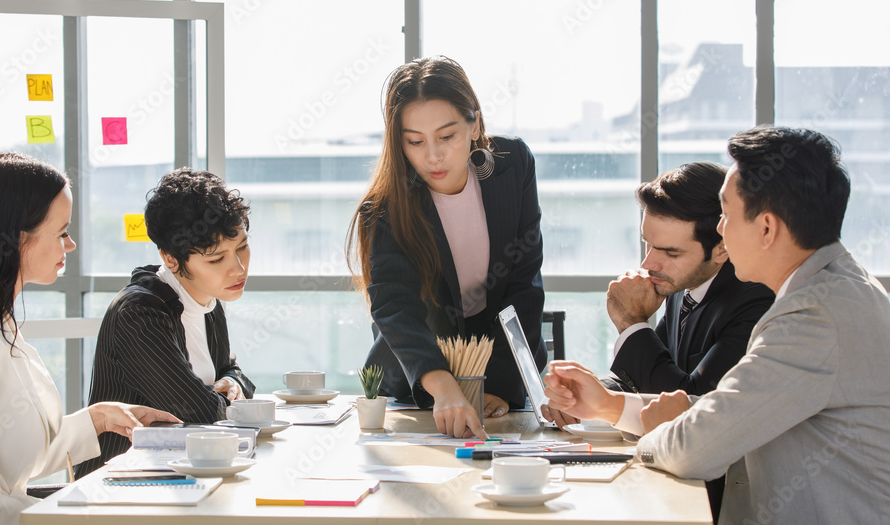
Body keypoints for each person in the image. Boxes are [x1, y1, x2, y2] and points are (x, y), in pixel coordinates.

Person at [544, 126, 890, 525]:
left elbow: (695, 448)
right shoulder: (836, 289)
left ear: (766, 228)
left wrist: (661, 434)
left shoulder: (813, 318)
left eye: (726, 214)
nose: (721, 230)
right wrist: (607, 405)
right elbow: (730, 408)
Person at [0, 152, 179, 525]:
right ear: (16, 239)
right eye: (61, 232)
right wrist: (91, 516)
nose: (70, 245)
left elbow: (12, 455)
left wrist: (98, 419)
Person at [347, 56, 546, 440]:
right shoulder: (386, 208)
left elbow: (524, 283)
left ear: (474, 126)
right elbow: (395, 307)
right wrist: (443, 385)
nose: (433, 156)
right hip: (415, 378)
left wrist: (500, 385)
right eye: (415, 141)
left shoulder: (513, 165)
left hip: (498, 367)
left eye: (447, 136)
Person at [77, 168, 256, 476]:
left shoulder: (208, 298)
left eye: (242, 247)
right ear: (170, 258)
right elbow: (199, 415)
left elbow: (231, 370)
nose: (238, 268)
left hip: (188, 474)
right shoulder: (139, 314)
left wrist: (233, 384)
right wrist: (231, 399)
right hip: (123, 485)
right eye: (216, 259)